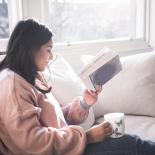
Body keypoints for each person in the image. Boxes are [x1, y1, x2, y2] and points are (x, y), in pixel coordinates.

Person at [0, 19, 154, 155]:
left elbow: (55, 119)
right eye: (48, 49)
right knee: (131, 145)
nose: (51, 56)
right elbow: (32, 144)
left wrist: (84, 104)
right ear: (31, 48)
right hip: (64, 150)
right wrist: (88, 137)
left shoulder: (30, 77)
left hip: (67, 147)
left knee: (130, 142)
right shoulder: (13, 85)